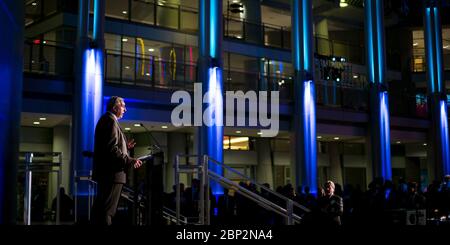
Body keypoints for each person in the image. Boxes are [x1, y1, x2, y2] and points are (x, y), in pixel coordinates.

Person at [91, 96, 143, 225]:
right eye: (123, 106)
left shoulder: (106, 120)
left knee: (101, 210)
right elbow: (112, 150)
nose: (125, 109)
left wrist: (125, 145)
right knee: (107, 211)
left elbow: (110, 146)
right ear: (115, 107)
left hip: (108, 174)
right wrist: (130, 160)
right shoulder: (110, 121)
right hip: (112, 174)